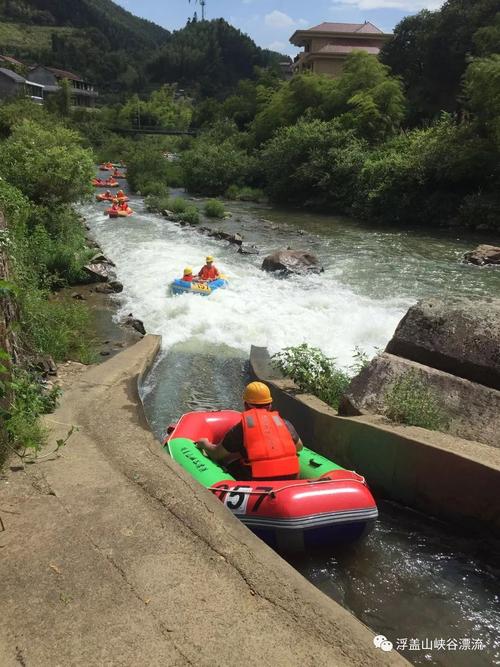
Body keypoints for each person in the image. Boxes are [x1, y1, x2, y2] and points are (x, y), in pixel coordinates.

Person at [196, 381, 303, 481]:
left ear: (245, 405)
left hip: (259, 481)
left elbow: (217, 454)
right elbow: (299, 447)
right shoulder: (284, 423)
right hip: (291, 478)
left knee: (228, 461)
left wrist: (204, 444)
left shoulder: (241, 429)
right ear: (270, 405)